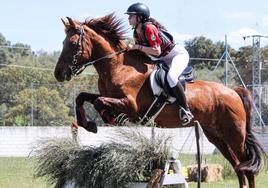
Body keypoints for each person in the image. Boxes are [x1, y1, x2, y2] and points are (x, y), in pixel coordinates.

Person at [125, 2, 193, 125]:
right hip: (162, 58)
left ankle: (185, 109)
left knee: (171, 77)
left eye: (131, 16)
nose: (128, 18)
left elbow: (156, 51)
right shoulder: (136, 32)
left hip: (176, 55)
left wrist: (136, 47)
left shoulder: (149, 28)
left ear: (139, 17)